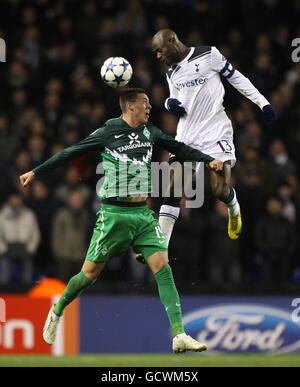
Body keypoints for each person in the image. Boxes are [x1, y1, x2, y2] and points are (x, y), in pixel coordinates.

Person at [20, 88, 223, 353]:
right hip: (114, 216)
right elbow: (70, 152)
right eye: (145, 103)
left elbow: (180, 148)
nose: (150, 107)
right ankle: (57, 310)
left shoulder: (151, 132)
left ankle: (179, 333)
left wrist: (210, 161)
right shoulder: (108, 132)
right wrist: (36, 171)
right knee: (88, 276)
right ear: (130, 107)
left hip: (142, 215)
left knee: (163, 267)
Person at [151, 29, 276, 245]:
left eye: (159, 50)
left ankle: (233, 205)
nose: (158, 56)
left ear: (172, 41)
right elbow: (174, 97)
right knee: (174, 187)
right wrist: (169, 103)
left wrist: (262, 102)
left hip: (215, 132)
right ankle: (159, 245)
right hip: (187, 136)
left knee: (219, 190)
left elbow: (236, 77)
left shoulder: (208, 54)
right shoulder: (171, 71)